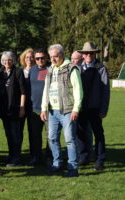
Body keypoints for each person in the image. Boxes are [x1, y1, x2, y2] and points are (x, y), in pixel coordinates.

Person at [40, 44, 83, 177]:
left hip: (67, 110)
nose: (52, 59)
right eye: (51, 57)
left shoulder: (71, 68)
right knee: (52, 138)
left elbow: (78, 90)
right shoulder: (50, 69)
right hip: (52, 111)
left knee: (69, 139)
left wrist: (76, 109)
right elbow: (46, 90)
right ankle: (57, 164)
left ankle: (73, 168)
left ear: (62, 55)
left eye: (56, 56)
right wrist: (43, 108)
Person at [76, 42, 110, 170]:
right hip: (81, 107)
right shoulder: (78, 68)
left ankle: (100, 159)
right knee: (80, 133)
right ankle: (83, 157)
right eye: (86, 53)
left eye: (91, 53)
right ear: (83, 55)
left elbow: (105, 91)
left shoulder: (101, 68)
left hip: (95, 108)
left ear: (95, 54)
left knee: (98, 134)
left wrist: (104, 109)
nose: (88, 55)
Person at [0, 51, 26, 167]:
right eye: (5, 60)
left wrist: (22, 107)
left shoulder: (18, 72)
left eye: (9, 59)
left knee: (16, 134)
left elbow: (23, 92)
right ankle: (11, 155)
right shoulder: (0, 73)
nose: (7, 62)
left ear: (13, 60)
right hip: (5, 109)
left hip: (16, 108)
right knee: (8, 134)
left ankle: (16, 157)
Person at [27, 48, 52, 166]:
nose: (40, 60)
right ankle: (36, 157)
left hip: (49, 109)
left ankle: (49, 157)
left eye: (42, 58)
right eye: (37, 58)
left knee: (50, 136)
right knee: (35, 136)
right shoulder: (32, 70)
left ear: (46, 57)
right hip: (34, 109)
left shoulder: (51, 69)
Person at [19, 48, 36, 165]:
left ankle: (34, 156)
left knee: (33, 132)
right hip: (21, 105)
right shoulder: (20, 71)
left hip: (34, 106)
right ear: (23, 59)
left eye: (31, 57)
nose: (29, 59)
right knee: (18, 131)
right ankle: (17, 155)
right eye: (27, 57)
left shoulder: (38, 70)